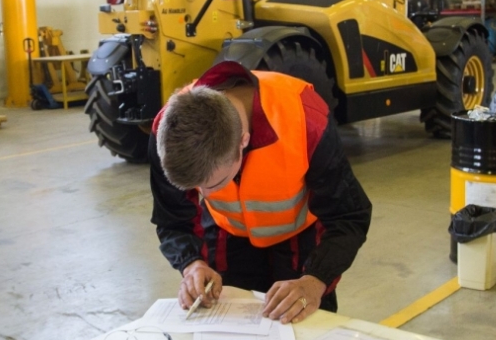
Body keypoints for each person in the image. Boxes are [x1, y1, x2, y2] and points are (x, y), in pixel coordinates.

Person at [150, 62, 372, 325]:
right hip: (227, 235)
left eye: (216, 182)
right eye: (195, 188)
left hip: (299, 239)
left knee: (304, 325)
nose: (205, 195)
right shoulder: (169, 131)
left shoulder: (304, 117)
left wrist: (315, 281)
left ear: (243, 141)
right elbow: (172, 218)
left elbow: (348, 216)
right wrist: (192, 264)